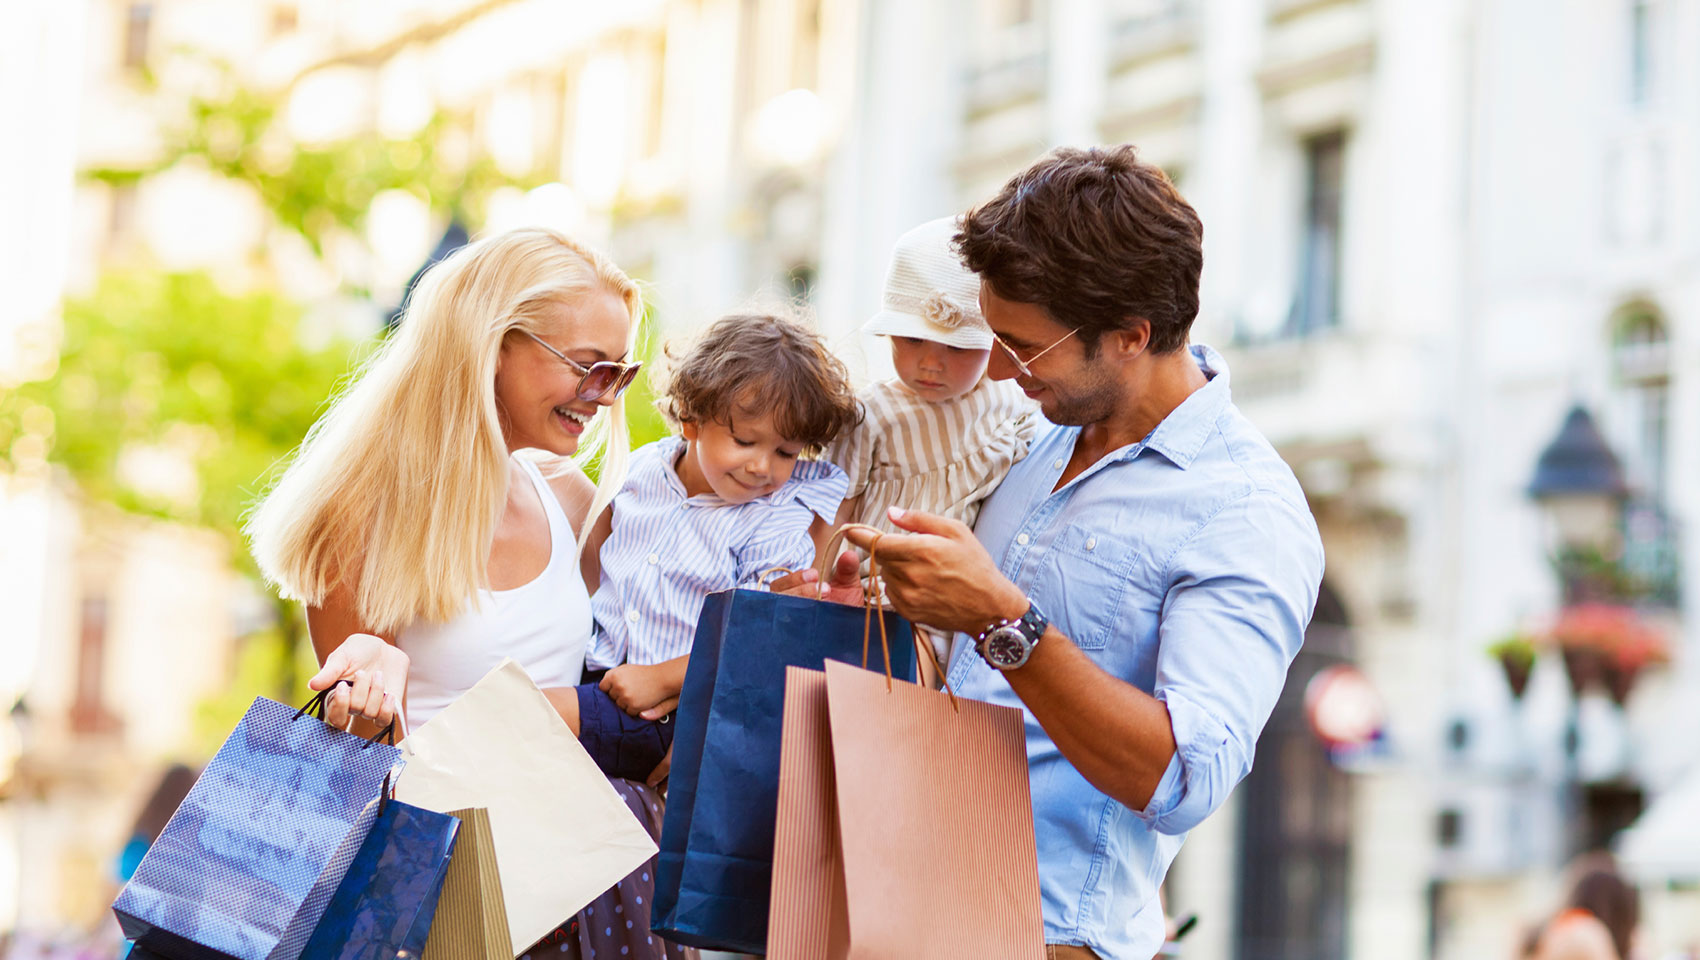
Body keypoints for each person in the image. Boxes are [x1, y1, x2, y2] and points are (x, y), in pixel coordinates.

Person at [780, 145, 1325, 959]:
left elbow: (1184, 779)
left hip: (1045, 933)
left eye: (1023, 348)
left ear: (1130, 336)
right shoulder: (1026, 441)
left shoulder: (1245, 510)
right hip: (886, 895)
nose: (996, 368)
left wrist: (1003, 619)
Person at [245, 226, 692, 960]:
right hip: (438, 904)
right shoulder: (362, 512)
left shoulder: (573, 502)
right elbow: (356, 754)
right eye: (587, 366)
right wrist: (362, 689)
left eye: (620, 373)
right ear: (491, 343)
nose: (603, 396)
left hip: (579, 894)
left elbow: (644, 666)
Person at [554, 309, 859, 781]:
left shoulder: (774, 518)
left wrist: (662, 678)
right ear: (692, 419)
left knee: (529, 714)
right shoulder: (642, 472)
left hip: (672, 705)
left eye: (785, 452)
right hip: (599, 674)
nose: (762, 466)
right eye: (744, 441)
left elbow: (761, 635)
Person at [825, 216, 1037, 672]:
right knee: (881, 712)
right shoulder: (871, 415)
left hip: (969, 609)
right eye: (912, 340)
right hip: (877, 596)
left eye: (959, 348)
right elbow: (837, 510)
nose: (931, 363)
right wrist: (823, 586)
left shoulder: (1011, 405)